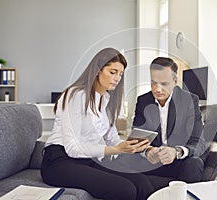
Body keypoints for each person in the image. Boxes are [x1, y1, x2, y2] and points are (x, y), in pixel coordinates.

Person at [41, 48, 155, 200]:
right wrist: (114, 149)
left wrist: (141, 148)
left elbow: (113, 140)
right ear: (97, 70)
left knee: (142, 183)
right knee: (124, 189)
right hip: (59, 161)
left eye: (120, 74)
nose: (117, 78)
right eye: (112, 72)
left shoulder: (107, 101)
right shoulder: (75, 95)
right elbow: (72, 148)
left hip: (88, 159)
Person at [133, 57, 206, 185]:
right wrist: (148, 150)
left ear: (175, 81)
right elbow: (138, 138)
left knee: (194, 164)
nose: (157, 89)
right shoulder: (143, 101)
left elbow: (198, 142)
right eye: (153, 83)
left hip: (179, 161)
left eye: (164, 84)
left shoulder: (189, 100)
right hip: (152, 162)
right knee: (124, 158)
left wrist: (176, 152)